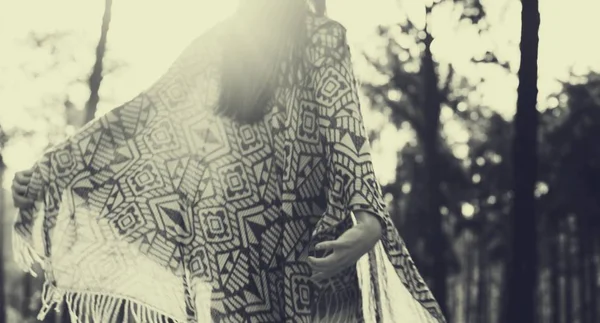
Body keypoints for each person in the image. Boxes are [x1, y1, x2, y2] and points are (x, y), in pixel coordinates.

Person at [11, 0, 446, 322]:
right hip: (253, 258)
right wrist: (52, 170)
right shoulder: (222, 46)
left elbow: (345, 129)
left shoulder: (319, 38)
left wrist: (368, 219)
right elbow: (143, 118)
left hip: (286, 260)